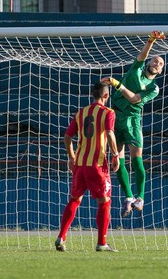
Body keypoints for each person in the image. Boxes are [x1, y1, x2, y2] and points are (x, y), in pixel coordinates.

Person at [102, 30, 165, 217]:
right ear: (148, 63)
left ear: (161, 71)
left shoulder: (154, 88)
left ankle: (141, 197)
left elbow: (135, 99)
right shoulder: (136, 69)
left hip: (132, 120)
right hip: (115, 116)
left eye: (160, 63)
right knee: (117, 158)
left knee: (137, 160)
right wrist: (151, 40)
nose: (156, 63)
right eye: (155, 60)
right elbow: (143, 54)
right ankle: (129, 197)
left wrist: (117, 84)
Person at [55, 81, 120, 252]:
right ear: (106, 96)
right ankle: (101, 243)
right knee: (104, 201)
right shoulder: (108, 112)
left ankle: (61, 237)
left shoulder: (81, 113)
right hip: (97, 165)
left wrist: (71, 157)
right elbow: (110, 133)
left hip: (80, 163)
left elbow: (67, 137)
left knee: (74, 200)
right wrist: (115, 155)